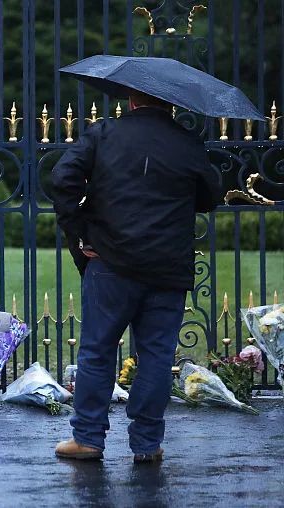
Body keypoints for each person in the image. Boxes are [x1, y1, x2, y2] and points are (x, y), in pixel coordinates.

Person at [51, 91, 222, 463]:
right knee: (157, 356)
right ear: (172, 104)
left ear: (130, 100)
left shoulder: (104, 134)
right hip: (167, 267)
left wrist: (80, 231)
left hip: (110, 262)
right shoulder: (187, 142)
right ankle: (147, 444)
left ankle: (88, 439)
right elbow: (211, 197)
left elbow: (62, 178)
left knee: (97, 351)